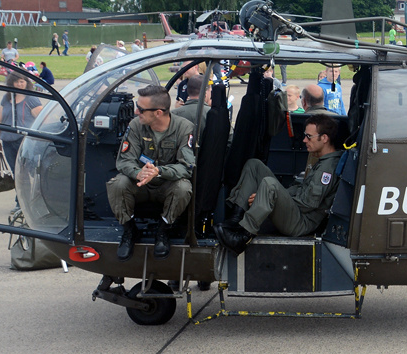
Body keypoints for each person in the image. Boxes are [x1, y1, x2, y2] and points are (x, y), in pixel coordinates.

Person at [216, 113, 345, 251]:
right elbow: (300, 189)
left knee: (269, 184)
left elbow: (308, 204)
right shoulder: (322, 160)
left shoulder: (326, 168)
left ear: (324, 138)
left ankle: (243, 236)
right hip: (297, 212)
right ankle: (236, 218)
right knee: (254, 165)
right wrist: (268, 198)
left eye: (309, 136)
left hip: (301, 222)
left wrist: (270, 200)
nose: (304, 140)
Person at [106, 84, 196, 260]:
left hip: (166, 184)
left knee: (183, 188)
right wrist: (137, 173)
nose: (136, 112)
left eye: (141, 109)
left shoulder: (184, 128)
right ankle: (129, 230)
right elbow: (124, 160)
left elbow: (187, 166)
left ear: (158, 112)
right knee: (118, 183)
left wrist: (159, 171)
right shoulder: (136, 126)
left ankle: (163, 231)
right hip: (140, 184)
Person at [0, 71, 42, 175]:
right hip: (7, 141)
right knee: (15, 171)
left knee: (28, 170)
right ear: (11, 83)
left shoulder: (31, 99)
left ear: (26, 83)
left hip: (23, 140)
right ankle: (20, 191)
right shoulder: (7, 98)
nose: (19, 84)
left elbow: (42, 120)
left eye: (22, 81)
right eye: (16, 82)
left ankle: (33, 190)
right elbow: (0, 120)